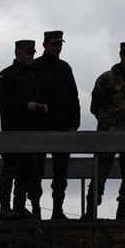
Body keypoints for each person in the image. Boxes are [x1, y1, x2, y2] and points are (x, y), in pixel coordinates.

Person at [82, 40, 125, 220]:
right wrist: (108, 121)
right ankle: (91, 213)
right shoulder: (106, 79)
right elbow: (94, 106)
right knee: (99, 173)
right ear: (122, 55)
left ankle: (122, 215)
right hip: (107, 132)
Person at [0, 40, 47, 220]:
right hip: (11, 131)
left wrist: (41, 106)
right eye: (28, 52)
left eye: (33, 52)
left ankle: (19, 206)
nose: (31, 56)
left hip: (31, 132)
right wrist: (24, 105)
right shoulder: (5, 76)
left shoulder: (34, 76)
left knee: (28, 170)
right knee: (10, 168)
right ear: (17, 52)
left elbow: (39, 97)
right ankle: (5, 208)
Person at [30, 30, 80, 220]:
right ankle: (35, 209)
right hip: (40, 128)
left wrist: (74, 123)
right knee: (36, 171)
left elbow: (73, 96)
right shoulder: (35, 67)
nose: (57, 47)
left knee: (61, 173)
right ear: (45, 45)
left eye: (59, 44)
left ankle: (57, 210)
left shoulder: (65, 68)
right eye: (54, 44)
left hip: (62, 127)